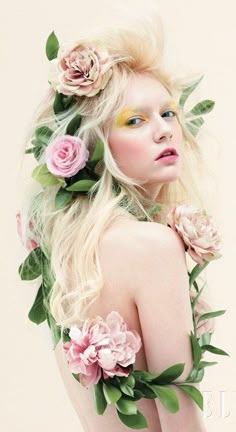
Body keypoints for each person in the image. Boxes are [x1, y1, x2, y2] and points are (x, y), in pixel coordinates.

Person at [17, 13, 219, 432]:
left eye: (168, 113)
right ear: (93, 143)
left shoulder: (63, 245)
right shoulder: (153, 246)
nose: (164, 131)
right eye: (135, 120)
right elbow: (178, 413)